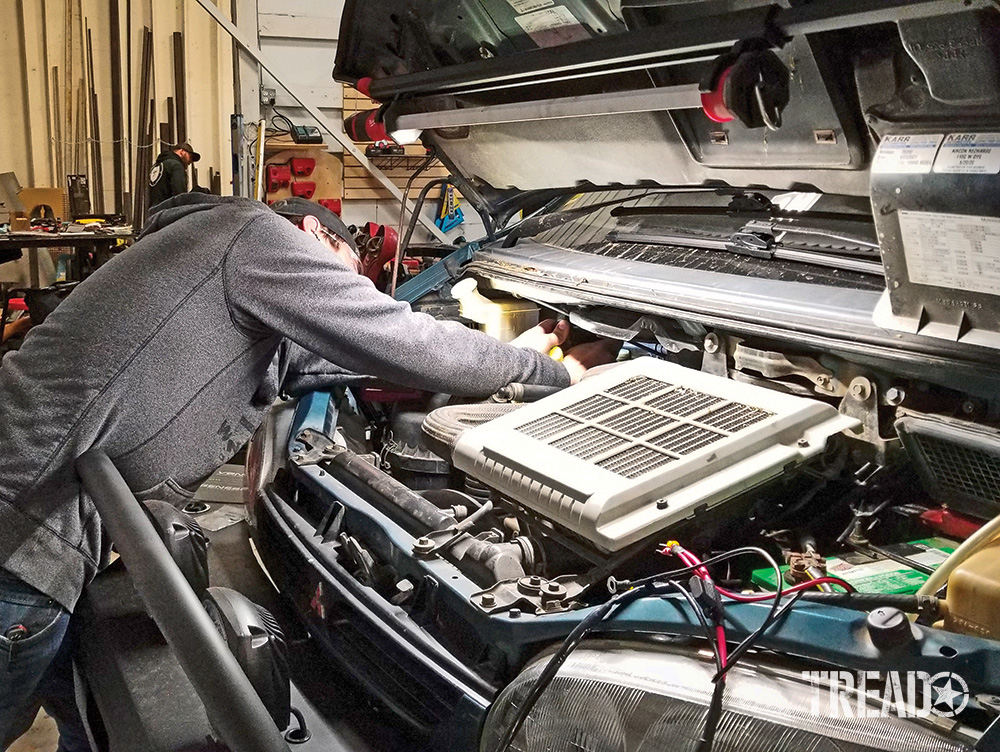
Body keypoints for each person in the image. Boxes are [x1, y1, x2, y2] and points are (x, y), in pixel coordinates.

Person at [0, 193, 615, 748]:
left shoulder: (223, 267)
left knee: (87, 723)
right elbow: (397, 337)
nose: (345, 297)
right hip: (22, 534)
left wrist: (519, 357)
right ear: (313, 236)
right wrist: (561, 376)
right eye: (343, 281)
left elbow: (347, 357)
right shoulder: (255, 236)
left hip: (56, 538)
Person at [148, 141, 200, 206]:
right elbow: (179, 195)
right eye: (190, 156)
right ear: (182, 152)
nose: (190, 162)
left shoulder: (156, 166)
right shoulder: (176, 166)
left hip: (154, 212)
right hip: (168, 212)